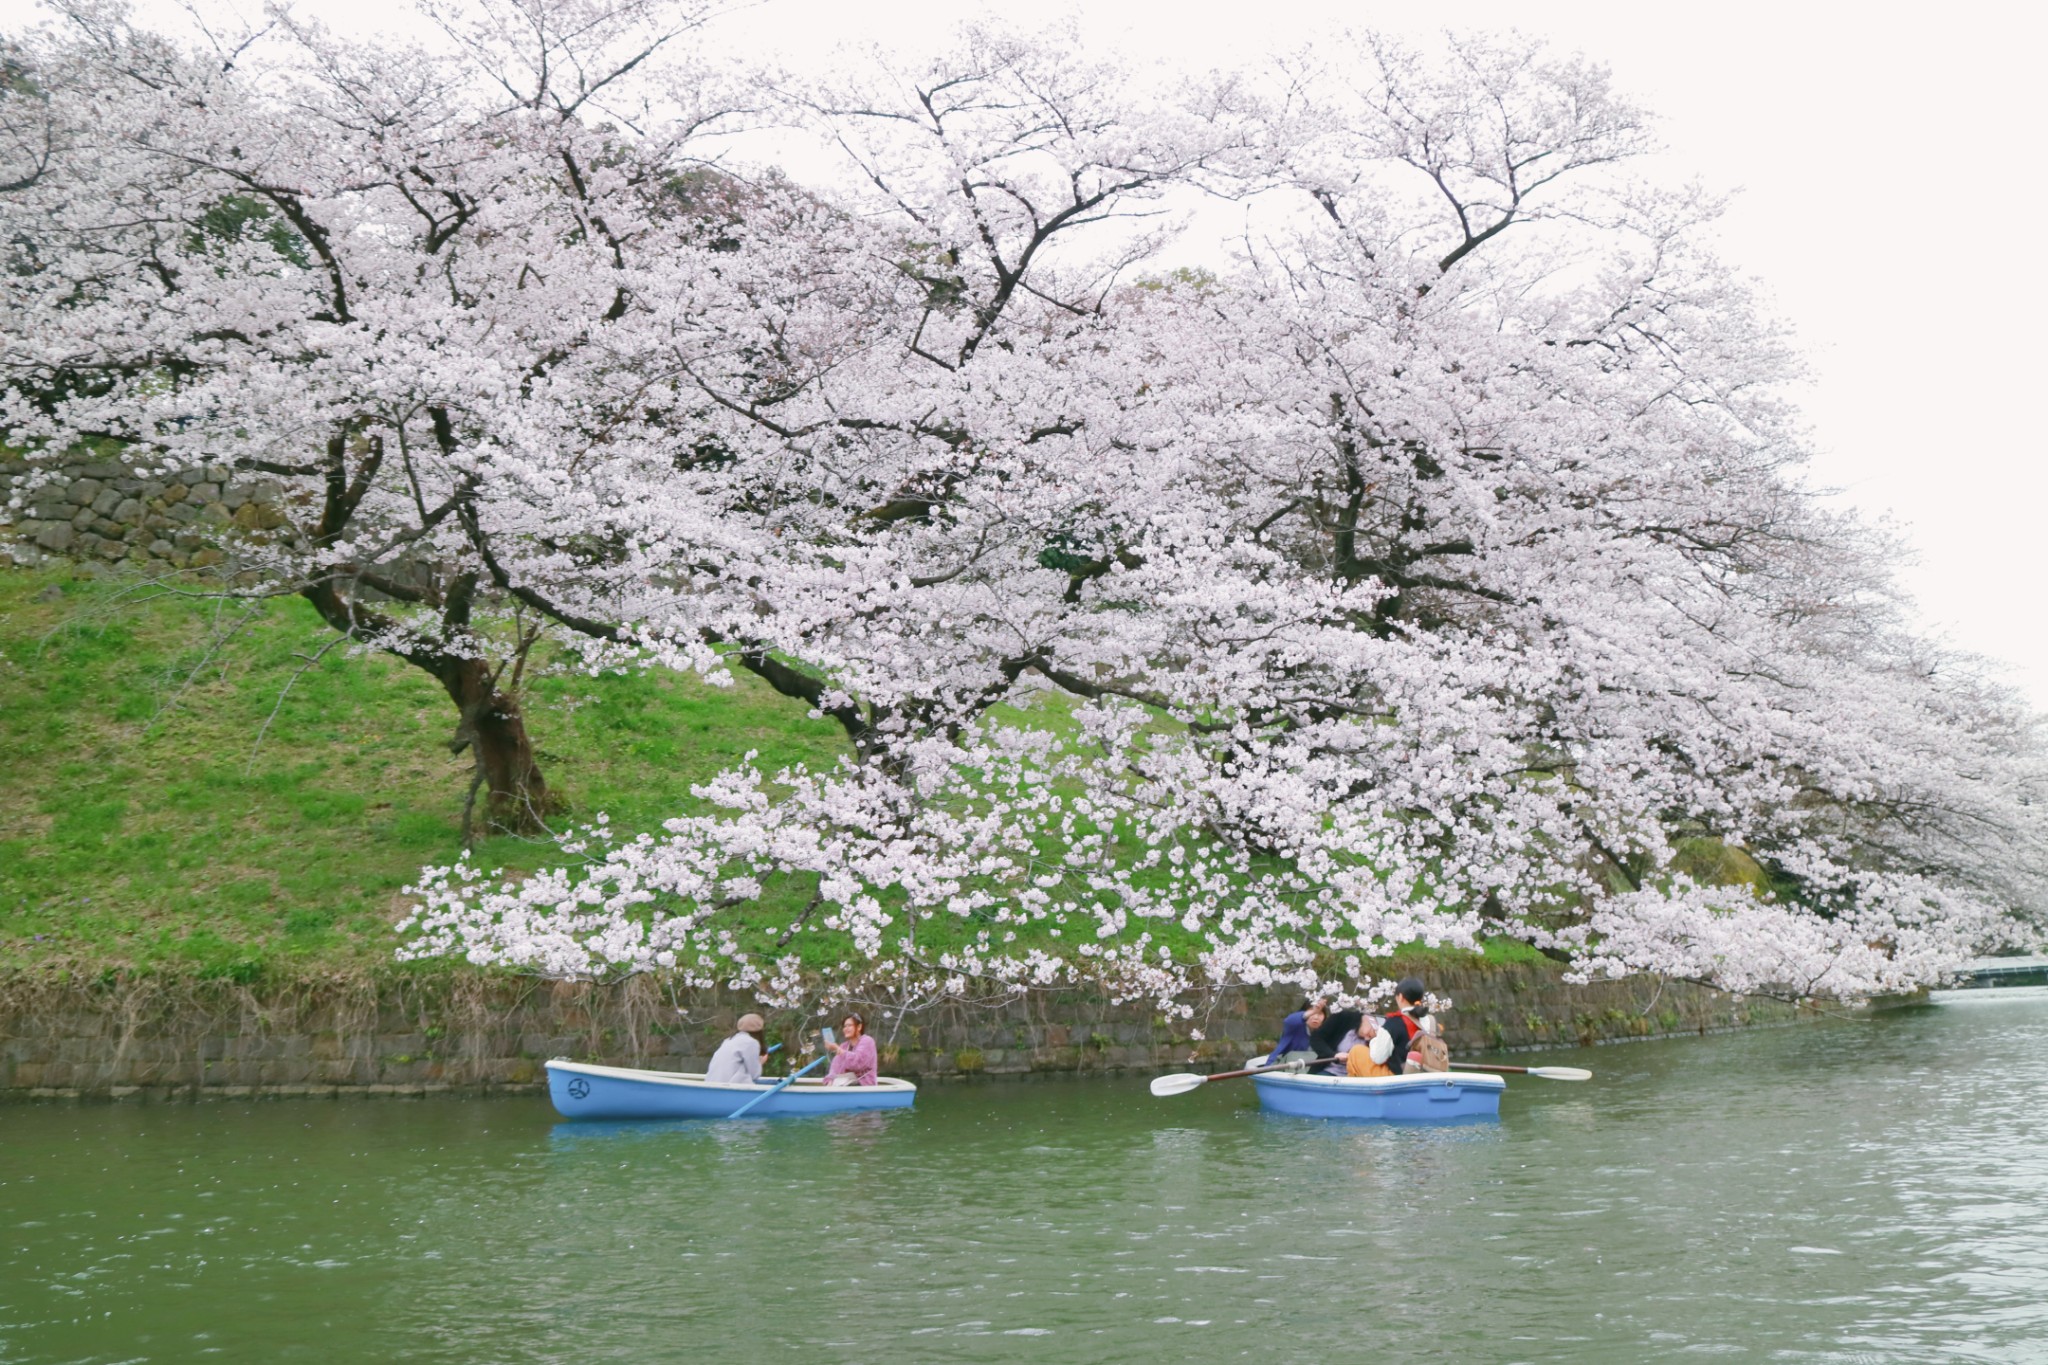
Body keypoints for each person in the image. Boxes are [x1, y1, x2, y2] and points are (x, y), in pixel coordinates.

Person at [705, 1012, 767, 1085]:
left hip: (711, 1084)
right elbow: (755, 1075)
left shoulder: (728, 1040)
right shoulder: (751, 1043)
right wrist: (760, 1062)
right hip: (730, 1087)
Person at [1264, 998, 1328, 1065]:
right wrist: (1313, 1011)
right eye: (1312, 1012)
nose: (1316, 1017)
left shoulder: (1324, 1033)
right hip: (1280, 1065)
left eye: (1320, 1014)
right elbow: (1289, 1021)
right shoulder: (1295, 1026)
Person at [823, 1012, 878, 1086]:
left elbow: (857, 1063)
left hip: (865, 1085)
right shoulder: (844, 1046)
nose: (846, 1029)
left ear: (859, 1027)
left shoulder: (867, 1041)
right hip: (847, 1083)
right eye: (844, 1026)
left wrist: (837, 1049)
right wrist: (830, 1080)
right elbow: (835, 1067)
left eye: (849, 1025)